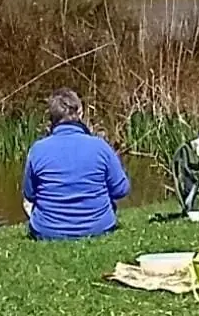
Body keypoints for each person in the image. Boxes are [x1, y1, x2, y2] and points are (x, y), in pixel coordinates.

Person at [23, 88, 131, 240]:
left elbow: (29, 194)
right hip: (99, 227)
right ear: (80, 113)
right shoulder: (100, 146)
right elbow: (121, 189)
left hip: (48, 230)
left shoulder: (37, 150)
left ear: (51, 118)